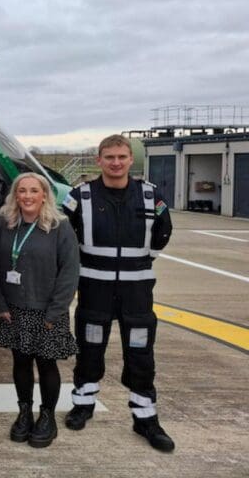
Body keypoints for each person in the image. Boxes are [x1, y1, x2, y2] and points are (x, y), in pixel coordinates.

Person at [62, 134, 175, 452]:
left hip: (137, 292)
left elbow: (164, 231)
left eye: (121, 157)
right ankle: (83, 405)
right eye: (109, 157)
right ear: (98, 160)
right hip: (94, 289)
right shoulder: (79, 196)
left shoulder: (151, 195)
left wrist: (141, 261)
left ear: (130, 160)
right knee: (89, 348)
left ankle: (145, 418)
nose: (115, 163)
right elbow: (60, 232)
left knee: (141, 354)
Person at [0, 173, 79, 448]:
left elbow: (69, 272)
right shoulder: (3, 224)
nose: (27, 196)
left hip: (47, 310)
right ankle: (25, 412)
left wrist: (55, 312)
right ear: (15, 195)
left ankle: (47, 416)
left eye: (34, 191)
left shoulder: (60, 226)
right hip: (14, 309)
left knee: (47, 364)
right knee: (21, 363)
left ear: (44, 195)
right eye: (22, 191)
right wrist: (0, 304)